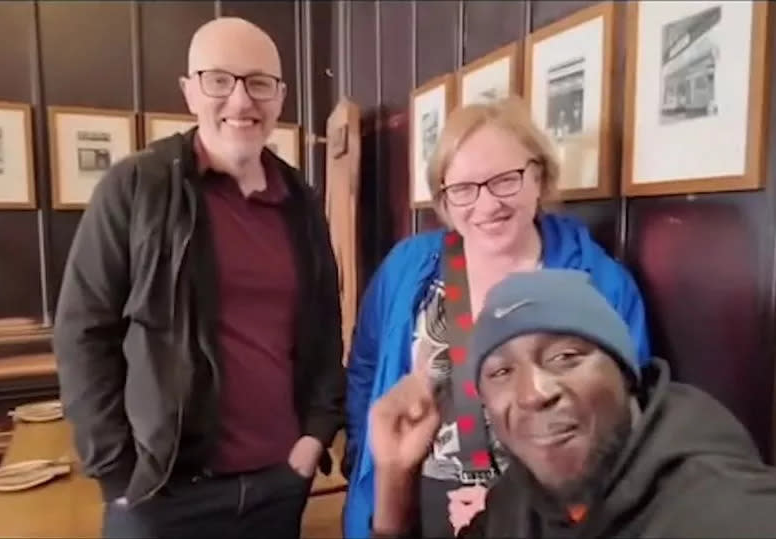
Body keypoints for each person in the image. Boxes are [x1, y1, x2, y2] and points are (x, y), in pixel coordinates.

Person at [53, 17, 344, 538]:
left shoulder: (301, 202)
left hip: (278, 486)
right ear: (190, 92)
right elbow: (82, 333)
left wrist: (314, 439)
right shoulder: (136, 187)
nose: (240, 102)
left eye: (258, 83)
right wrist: (118, 474)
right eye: (219, 80)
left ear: (280, 97)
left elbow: (324, 331)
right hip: (159, 496)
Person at [343, 96, 651, 538]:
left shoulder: (601, 285)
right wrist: (371, 458)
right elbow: (366, 369)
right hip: (408, 503)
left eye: (505, 180)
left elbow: (624, 418)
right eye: (464, 189)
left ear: (539, 176)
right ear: (444, 198)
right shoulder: (408, 267)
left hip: (539, 514)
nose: (486, 205)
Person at [370, 269, 776, 538]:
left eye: (565, 357)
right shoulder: (515, 502)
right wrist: (394, 474)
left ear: (625, 373)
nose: (534, 393)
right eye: (501, 373)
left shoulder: (726, 511)